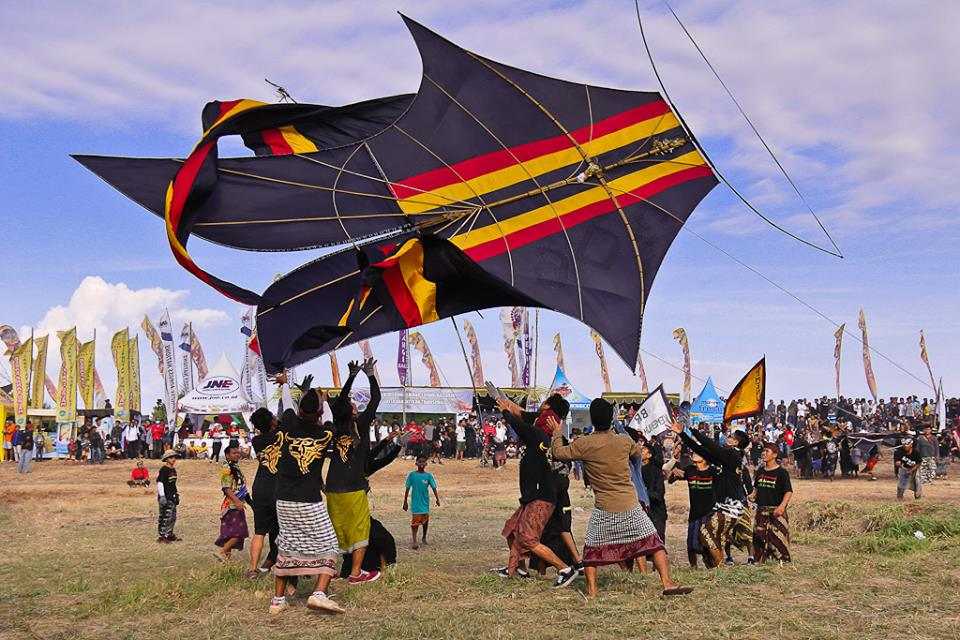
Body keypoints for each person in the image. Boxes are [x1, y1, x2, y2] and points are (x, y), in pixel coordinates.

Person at [550, 398, 691, 598]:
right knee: (655, 543)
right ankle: (667, 582)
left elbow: (558, 453)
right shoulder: (623, 441)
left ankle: (591, 592)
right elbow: (636, 453)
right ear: (611, 419)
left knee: (591, 551)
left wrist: (557, 432)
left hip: (604, 507)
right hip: (630, 503)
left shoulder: (584, 444)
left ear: (593, 419)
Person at [271, 388, 343, 615]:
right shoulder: (325, 434)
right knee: (330, 544)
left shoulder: (289, 423)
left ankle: (278, 600)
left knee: (287, 544)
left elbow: (288, 405)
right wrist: (324, 400)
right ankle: (319, 594)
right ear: (319, 412)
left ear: (300, 410)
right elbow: (330, 418)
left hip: (283, 498)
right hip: (309, 500)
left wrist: (284, 384)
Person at [495, 394, 578, 588]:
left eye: (544, 412)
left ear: (550, 416)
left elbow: (521, 425)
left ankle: (565, 569)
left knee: (528, 539)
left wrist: (506, 411)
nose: (539, 417)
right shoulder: (541, 431)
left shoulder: (541, 436)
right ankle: (516, 569)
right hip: (532, 495)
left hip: (541, 497)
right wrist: (508, 406)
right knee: (511, 530)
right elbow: (524, 416)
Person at [324, 358, 382, 585]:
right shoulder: (362, 423)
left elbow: (339, 402)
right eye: (353, 405)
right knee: (359, 530)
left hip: (332, 488)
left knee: (335, 530)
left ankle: (332, 570)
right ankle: (355, 573)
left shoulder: (337, 427)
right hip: (354, 487)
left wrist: (351, 376)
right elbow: (375, 398)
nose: (356, 406)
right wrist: (368, 375)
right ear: (351, 412)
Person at [671, 420, 752, 568]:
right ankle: (717, 566)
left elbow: (710, 446)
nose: (727, 437)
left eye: (731, 437)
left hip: (731, 506)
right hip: (721, 505)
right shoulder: (725, 457)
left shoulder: (732, 454)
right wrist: (682, 434)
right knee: (714, 537)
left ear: (735, 443)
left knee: (705, 531)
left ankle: (721, 567)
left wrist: (692, 431)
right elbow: (700, 449)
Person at [246, 407, 283, 580]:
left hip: (260, 488)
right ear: (272, 421)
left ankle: (253, 569)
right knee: (284, 529)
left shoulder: (256, 440)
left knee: (260, 531)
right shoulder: (281, 435)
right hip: (278, 487)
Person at [668, 449, 717, 567]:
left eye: (697, 453)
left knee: (707, 543)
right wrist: (674, 470)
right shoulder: (690, 470)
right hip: (694, 513)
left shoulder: (713, 472)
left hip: (709, 513)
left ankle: (712, 565)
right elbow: (671, 480)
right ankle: (693, 568)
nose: (694, 454)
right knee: (691, 544)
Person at [751, 443, 793, 563]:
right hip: (761, 511)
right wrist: (752, 496)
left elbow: (788, 492)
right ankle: (759, 562)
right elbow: (756, 490)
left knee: (778, 540)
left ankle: (782, 563)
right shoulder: (759, 471)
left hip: (776, 512)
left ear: (774, 455)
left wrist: (781, 507)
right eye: (763, 451)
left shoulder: (782, 473)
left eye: (767, 451)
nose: (763, 453)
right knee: (759, 539)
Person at [214, 443, 250, 562]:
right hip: (232, 505)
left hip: (236, 503)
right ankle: (222, 552)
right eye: (234, 453)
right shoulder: (226, 468)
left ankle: (226, 562)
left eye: (238, 453)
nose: (237, 455)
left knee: (229, 534)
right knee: (239, 532)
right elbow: (226, 488)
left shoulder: (235, 467)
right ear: (227, 455)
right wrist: (237, 502)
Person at [403, 456, 440, 549]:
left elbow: (434, 487)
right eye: (420, 462)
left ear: (426, 464)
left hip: (425, 502)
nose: (422, 464)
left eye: (423, 462)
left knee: (425, 520)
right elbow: (407, 488)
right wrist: (405, 501)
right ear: (416, 463)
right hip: (416, 503)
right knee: (415, 522)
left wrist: (437, 499)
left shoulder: (428, 476)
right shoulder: (412, 475)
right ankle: (414, 541)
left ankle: (424, 537)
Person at [156, 451, 180, 542]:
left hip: (172, 497)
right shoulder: (164, 469)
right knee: (165, 516)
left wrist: (176, 494)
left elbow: (173, 484)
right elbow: (160, 483)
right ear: (166, 459)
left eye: (174, 457)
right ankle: (163, 535)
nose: (173, 459)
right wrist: (162, 496)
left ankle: (169, 533)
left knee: (172, 516)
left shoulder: (173, 470)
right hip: (165, 497)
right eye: (171, 458)